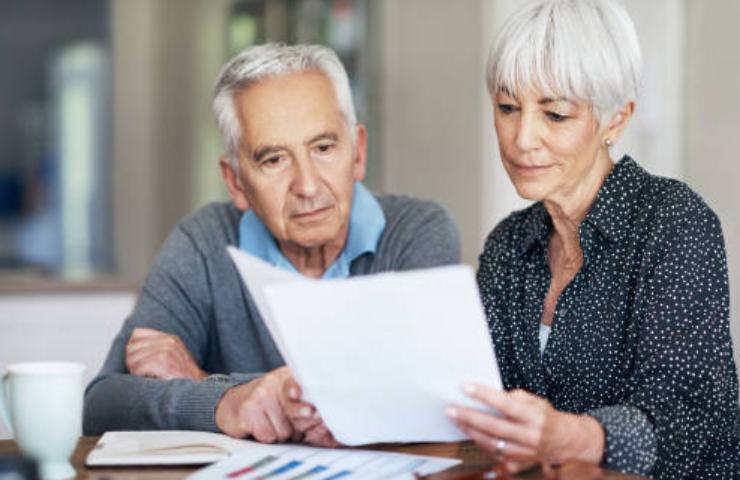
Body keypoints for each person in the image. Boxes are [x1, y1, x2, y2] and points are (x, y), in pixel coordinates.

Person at [84, 44, 460, 446]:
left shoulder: (418, 231)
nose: (308, 186)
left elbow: (419, 394)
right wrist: (229, 401)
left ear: (358, 152)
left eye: (324, 148)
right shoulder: (203, 243)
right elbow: (102, 404)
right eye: (273, 159)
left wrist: (206, 383)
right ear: (236, 182)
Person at [445, 0, 740, 478]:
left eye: (555, 115)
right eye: (507, 108)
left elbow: (683, 421)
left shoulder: (673, 222)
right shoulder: (507, 246)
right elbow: (478, 399)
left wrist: (568, 436)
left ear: (615, 121)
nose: (522, 138)